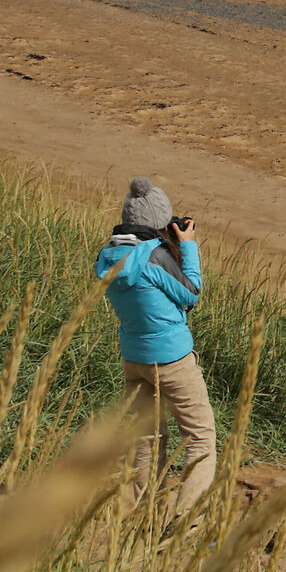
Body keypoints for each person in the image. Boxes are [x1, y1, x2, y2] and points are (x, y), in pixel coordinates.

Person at [98, 175, 218, 518]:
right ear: (159, 223)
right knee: (200, 438)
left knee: (148, 439)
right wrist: (188, 246)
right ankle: (185, 521)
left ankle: (139, 515)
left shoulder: (109, 255)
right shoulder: (155, 256)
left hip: (133, 358)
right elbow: (191, 293)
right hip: (172, 360)